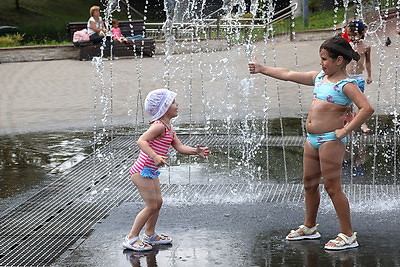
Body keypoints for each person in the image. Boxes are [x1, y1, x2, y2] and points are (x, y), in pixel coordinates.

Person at [248, 36, 374, 250]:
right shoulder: (320, 79)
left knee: (332, 187)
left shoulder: (347, 85)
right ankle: (309, 227)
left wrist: (344, 130)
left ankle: (348, 234)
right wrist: (261, 68)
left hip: (330, 141)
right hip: (312, 139)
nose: (321, 63)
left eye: (325, 59)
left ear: (339, 60)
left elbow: (367, 108)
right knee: (309, 183)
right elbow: (288, 74)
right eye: (321, 59)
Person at [123, 89, 210, 251]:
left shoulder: (169, 128)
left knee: (158, 203)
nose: (177, 105)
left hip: (150, 171)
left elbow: (180, 147)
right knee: (151, 205)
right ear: (164, 108)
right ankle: (131, 237)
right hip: (141, 171)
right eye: (173, 103)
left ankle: (150, 234)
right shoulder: (158, 127)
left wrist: (195, 151)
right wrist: (155, 156)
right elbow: (141, 141)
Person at [346, 20, 372, 133]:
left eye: (354, 35)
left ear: (361, 33)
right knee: (347, 102)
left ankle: (362, 123)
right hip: (347, 76)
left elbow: (368, 62)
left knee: (360, 101)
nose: (352, 38)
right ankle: (348, 122)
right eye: (349, 35)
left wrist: (369, 75)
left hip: (358, 77)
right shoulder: (347, 46)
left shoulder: (366, 47)